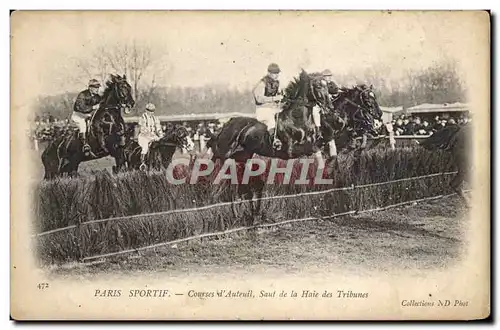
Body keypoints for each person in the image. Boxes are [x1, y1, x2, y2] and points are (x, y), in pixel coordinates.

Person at [252, 63, 283, 141]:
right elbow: (259, 99)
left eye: (277, 73)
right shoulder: (262, 83)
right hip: (263, 109)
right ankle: (273, 140)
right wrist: (274, 98)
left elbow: (279, 96)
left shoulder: (277, 83)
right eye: (274, 73)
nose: (277, 75)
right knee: (271, 120)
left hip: (274, 109)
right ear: (269, 73)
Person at [72, 79, 102, 154]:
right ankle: (85, 144)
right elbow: (81, 107)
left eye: (98, 87)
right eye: (95, 87)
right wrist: (93, 107)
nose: (97, 89)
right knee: (83, 126)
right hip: (79, 116)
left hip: (88, 116)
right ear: (90, 88)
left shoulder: (97, 97)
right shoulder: (82, 95)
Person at [137, 103, 164, 170]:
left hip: (153, 136)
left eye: (152, 111)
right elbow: (143, 129)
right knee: (145, 146)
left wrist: (161, 135)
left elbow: (158, 128)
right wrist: (152, 136)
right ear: (146, 110)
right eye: (149, 111)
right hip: (143, 136)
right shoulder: (143, 118)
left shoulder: (155, 118)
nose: (151, 112)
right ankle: (142, 163)